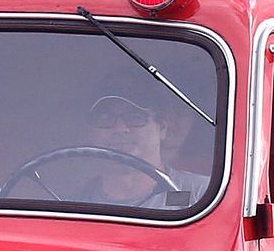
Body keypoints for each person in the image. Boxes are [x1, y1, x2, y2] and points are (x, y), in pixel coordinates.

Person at [78, 75, 208, 209]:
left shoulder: (202, 196)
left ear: (162, 127)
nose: (120, 128)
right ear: (90, 132)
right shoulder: (73, 205)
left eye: (134, 117)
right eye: (105, 119)